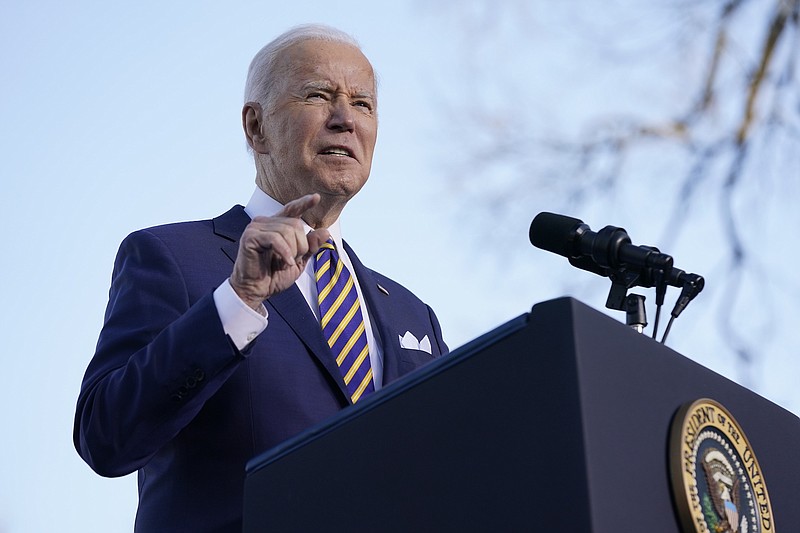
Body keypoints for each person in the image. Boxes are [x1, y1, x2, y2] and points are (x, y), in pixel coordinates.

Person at [73, 24, 448, 532]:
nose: (345, 120)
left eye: (363, 104)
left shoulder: (410, 312)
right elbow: (106, 435)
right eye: (319, 95)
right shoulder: (173, 258)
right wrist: (239, 299)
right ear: (256, 126)